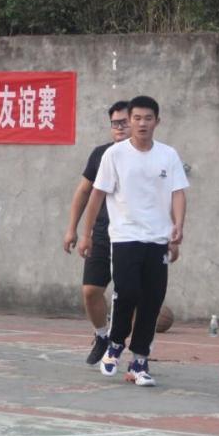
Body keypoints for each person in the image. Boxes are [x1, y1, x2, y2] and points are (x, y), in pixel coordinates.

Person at [77, 95, 188, 387]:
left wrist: (177, 228)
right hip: (125, 236)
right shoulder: (114, 155)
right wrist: (86, 234)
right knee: (126, 291)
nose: (142, 123)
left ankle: (139, 361)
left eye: (147, 118)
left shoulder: (168, 155)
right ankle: (115, 343)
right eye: (136, 118)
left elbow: (178, 193)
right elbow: (96, 195)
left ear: (157, 122)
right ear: (130, 121)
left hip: (158, 238)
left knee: (152, 299)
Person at [63, 101, 130, 365]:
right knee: (91, 291)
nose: (120, 127)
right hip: (102, 232)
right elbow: (83, 192)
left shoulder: (148, 156)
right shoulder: (101, 154)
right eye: (115, 123)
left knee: (130, 295)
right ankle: (102, 335)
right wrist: (74, 230)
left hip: (132, 235)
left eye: (124, 122)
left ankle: (134, 351)